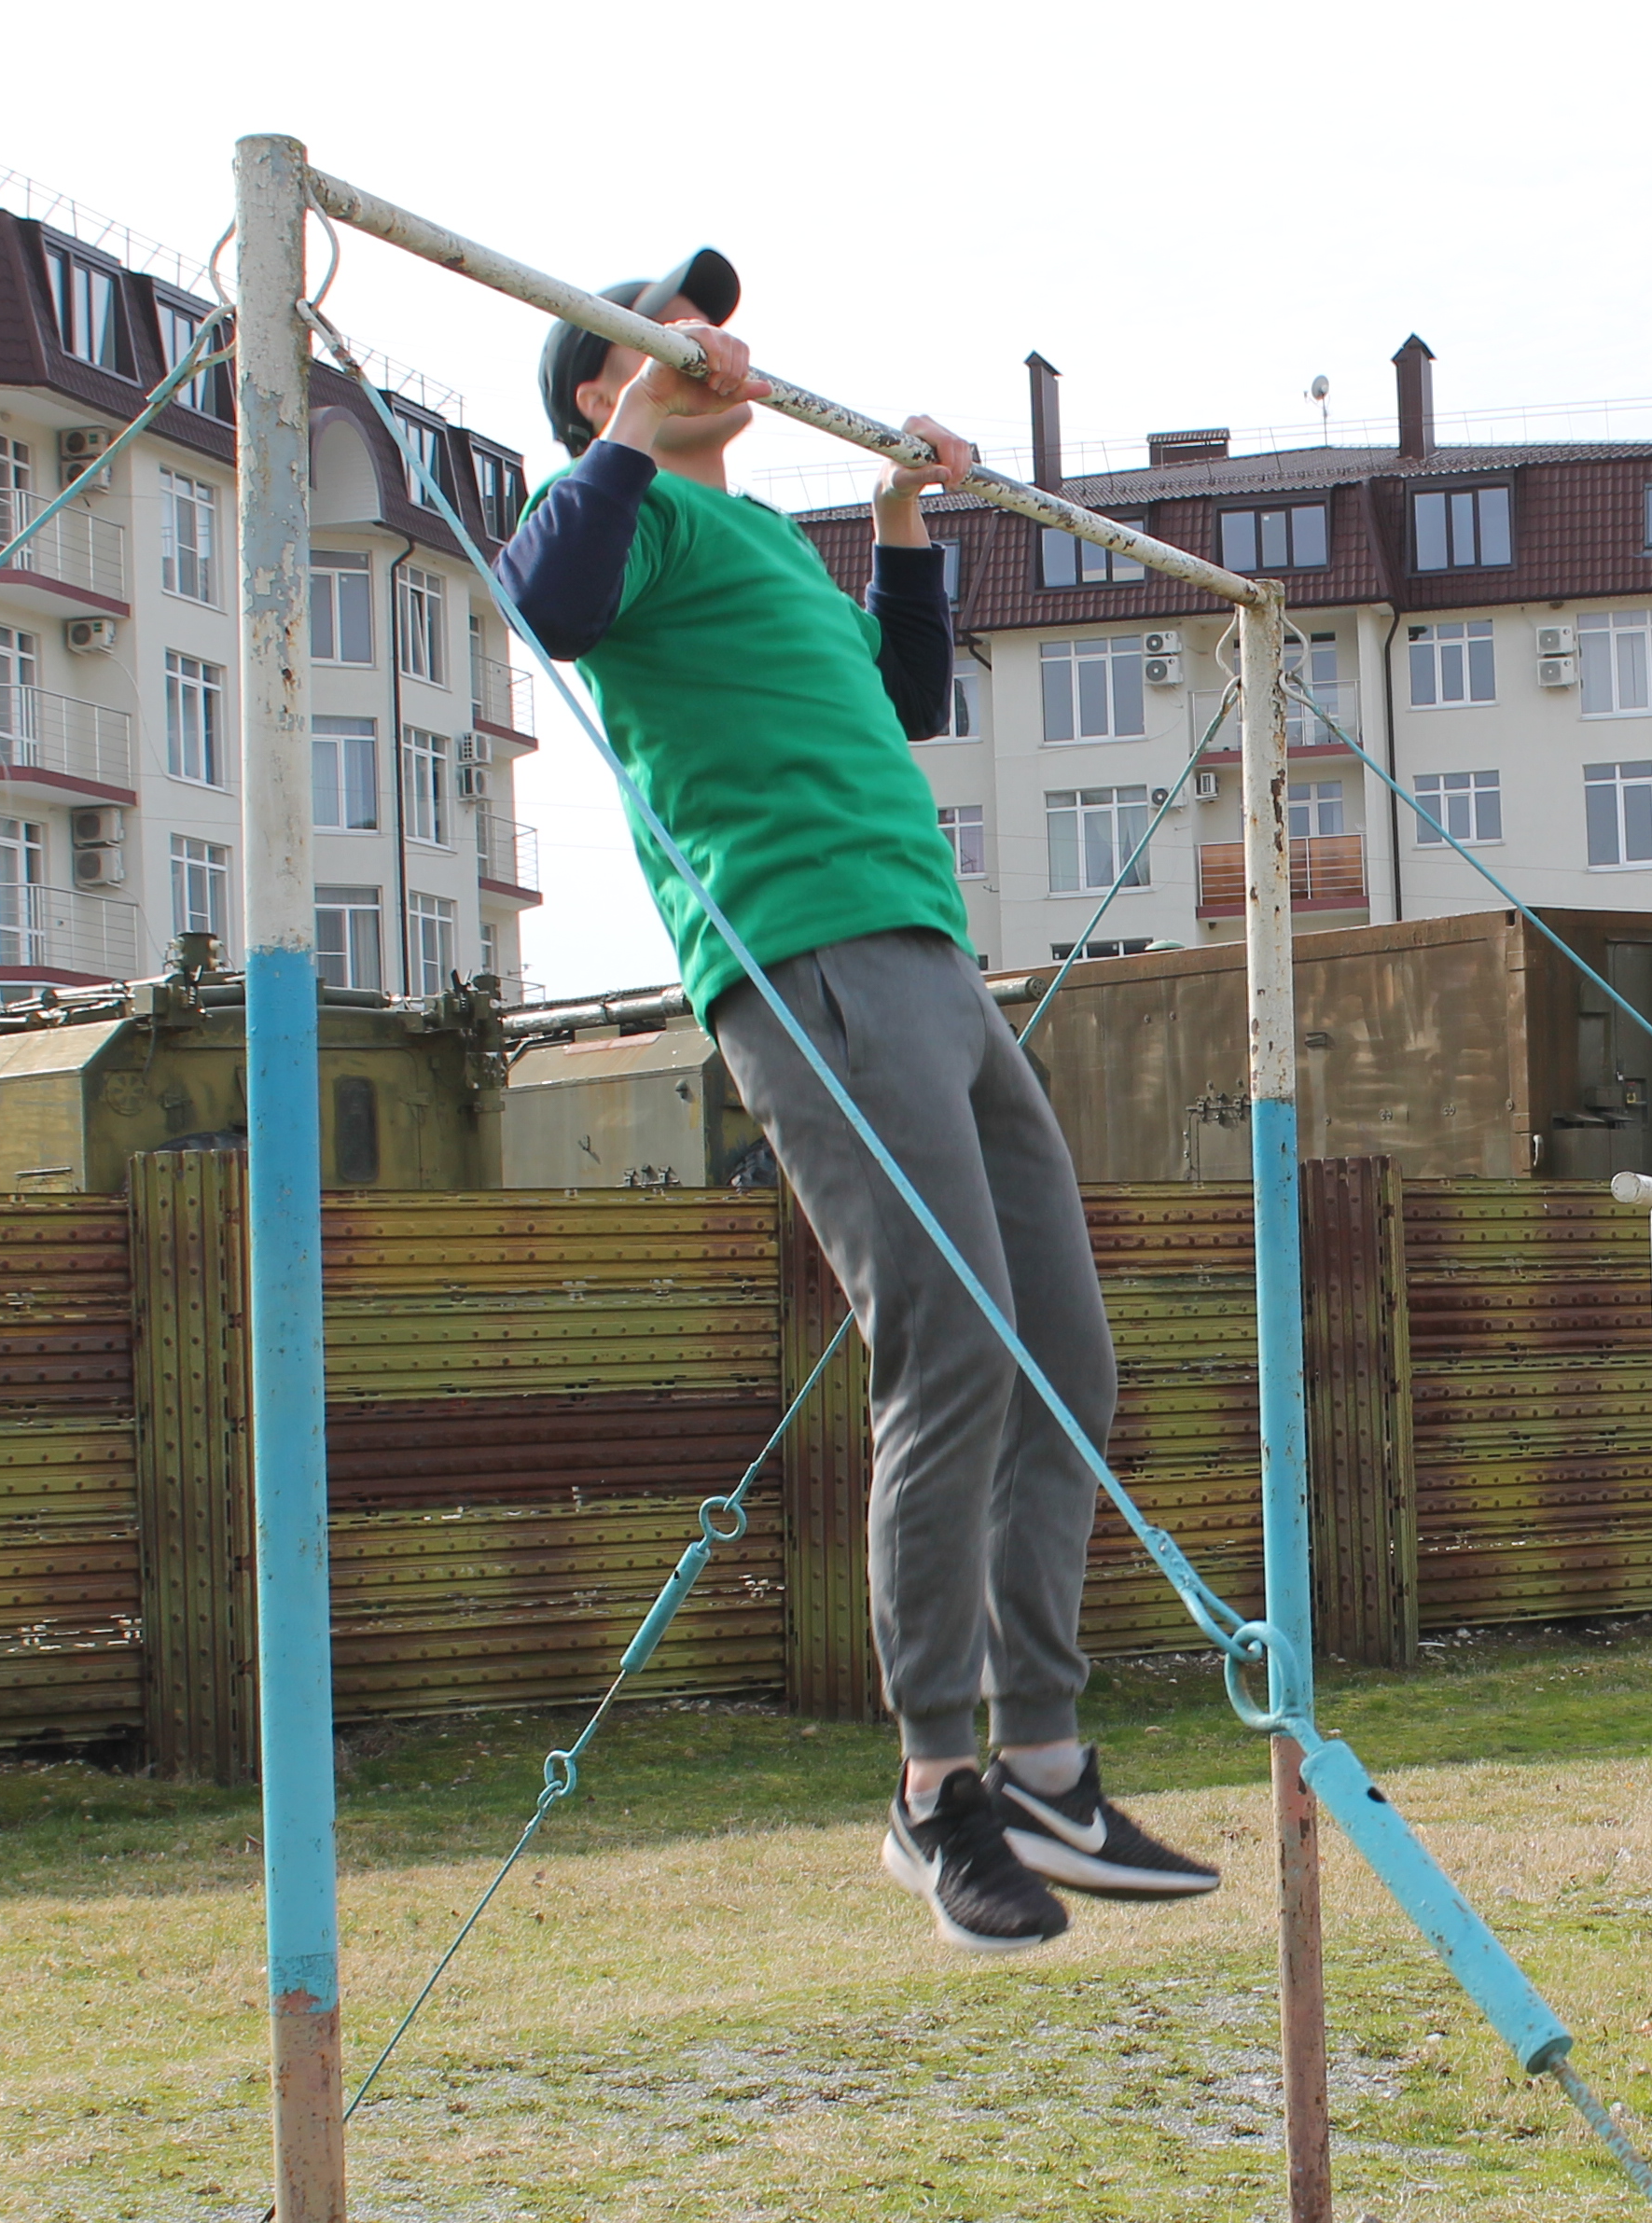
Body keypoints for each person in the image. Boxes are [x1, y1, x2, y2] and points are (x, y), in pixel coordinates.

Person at [497, 250, 1215, 1951]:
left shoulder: (759, 539)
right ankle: (934, 1788)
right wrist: (629, 431)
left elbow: (906, 703)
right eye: (662, 336)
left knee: (1064, 1344)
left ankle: (1045, 1757)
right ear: (600, 396)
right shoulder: (628, 517)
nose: (713, 344)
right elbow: (547, 602)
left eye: (717, 323)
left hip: (928, 949)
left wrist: (898, 525)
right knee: (948, 1344)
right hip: (802, 952)